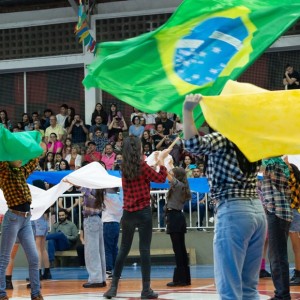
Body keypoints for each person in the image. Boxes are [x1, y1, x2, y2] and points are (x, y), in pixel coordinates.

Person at [182, 94, 266, 300]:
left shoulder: (223, 138)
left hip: (233, 211)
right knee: (249, 288)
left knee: (229, 288)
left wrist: (187, 111)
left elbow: (192, 144)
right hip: (257, 210)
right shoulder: (251, 139)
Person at [103, 136, 169, 299]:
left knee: (123, 250)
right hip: (144, 213)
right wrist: (161, 161)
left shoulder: (124, 167)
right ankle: (146, 289)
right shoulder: (143, 166)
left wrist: (153, 164)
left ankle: (113, 288)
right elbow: (160, 178)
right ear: (139, 149)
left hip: (128, 213)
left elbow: (143, 171)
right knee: (144, 250)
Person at [0, 157, 44, 300]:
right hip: (13, 217)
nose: (20, 159)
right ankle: (1, 293)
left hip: (25, 218)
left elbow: (32, 163)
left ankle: (36, 293)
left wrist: (38, 150)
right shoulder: (4, 172)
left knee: (34, 257)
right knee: (4, 258)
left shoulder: (20, 171)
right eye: (16, 157)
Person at [260, 157, 292, 300]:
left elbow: (278, 181)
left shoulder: (273, 164)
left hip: (276, 212)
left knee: (277, 257)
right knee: (278, 256)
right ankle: (281, 293)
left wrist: (265, 168)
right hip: (282, 212)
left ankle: (282, 295)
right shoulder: (281, 165)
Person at [165, 167, 191, 287]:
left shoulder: (178, 185)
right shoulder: (182, 186)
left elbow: (166, 174)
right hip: (178, 216)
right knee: (181, 248)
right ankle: (185, 278)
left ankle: (180, 279)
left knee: (178, 249)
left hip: (174, 217)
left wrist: (161, 162)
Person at [80, 186, 106, 288]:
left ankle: (95, 278)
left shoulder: (90, 188)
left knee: (91, 251)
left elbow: (80, 188)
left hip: (90, 220)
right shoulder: (100, 188)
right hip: (97, 219)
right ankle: (101, 277)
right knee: (100, 251)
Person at [283, 156, 300, 286]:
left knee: (296, 247)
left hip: (294, 212)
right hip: (295, 211)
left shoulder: (293, 182)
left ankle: (299, 273)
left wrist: (286, 164)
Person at [102, 187, 123, 279]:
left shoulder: (107, 196)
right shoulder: (120, 197)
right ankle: (117, 271)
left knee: (108, 248)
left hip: (108, 223)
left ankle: (108, 270)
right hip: (116, 224)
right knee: (114, 248)